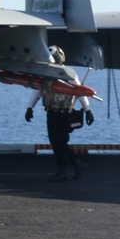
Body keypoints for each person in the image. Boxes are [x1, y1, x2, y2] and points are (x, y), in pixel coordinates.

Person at [25, 45, 95, 182]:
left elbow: (80, 92)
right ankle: (77, 164)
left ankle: (63, 170)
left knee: (59, 142)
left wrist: (88, 110)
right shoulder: (45, 73)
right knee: (56, 142)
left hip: (63, 114)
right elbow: (38, 91)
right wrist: (29, 108)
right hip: (51, 113)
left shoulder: (68, 74)